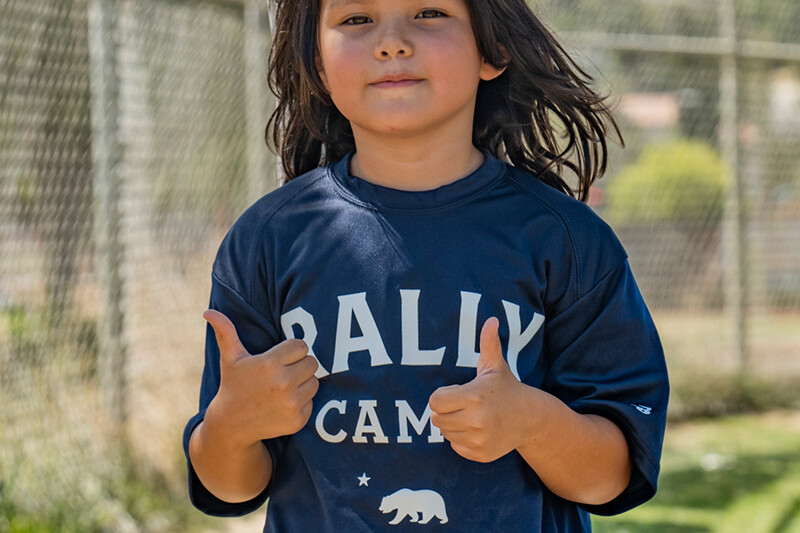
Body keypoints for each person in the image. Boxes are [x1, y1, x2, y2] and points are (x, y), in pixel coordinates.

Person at [183, 0, 670, 530]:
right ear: (318, 65)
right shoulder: (267, 240)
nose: (392, 42)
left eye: (430, 12)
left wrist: (533, 422)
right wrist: (230, 427)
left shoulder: (568, 240)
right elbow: (229, 488)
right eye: (356, 19)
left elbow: (614, 477)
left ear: (494, 48)